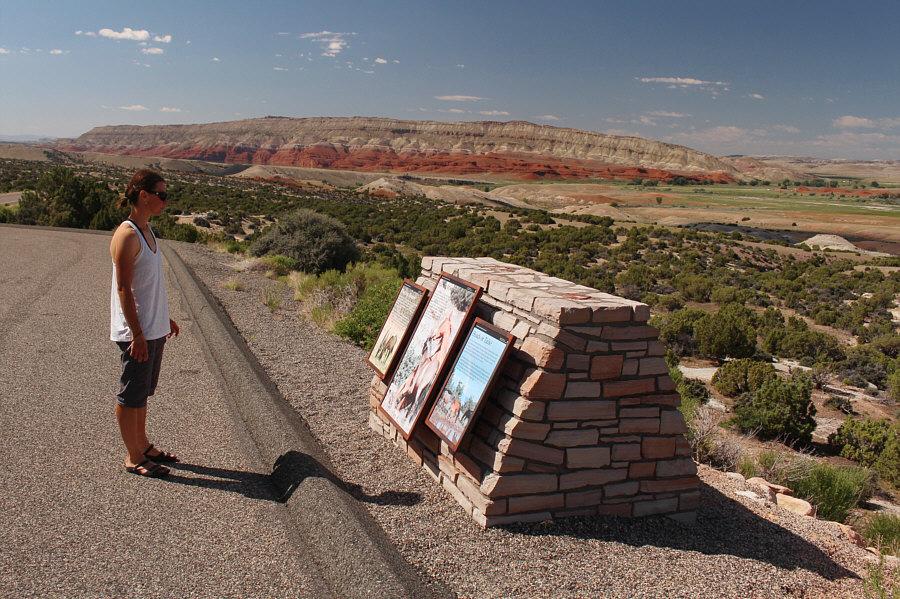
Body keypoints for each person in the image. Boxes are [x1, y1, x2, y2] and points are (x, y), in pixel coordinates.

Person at [110, 169, 180, 478]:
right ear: (143, 195)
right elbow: (124, 288)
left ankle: (143, 444)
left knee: (142, 392)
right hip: (136, 331)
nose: (166, 200)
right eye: (162, 195)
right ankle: (133, 456)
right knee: (131, 394)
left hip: (152, 328)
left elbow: (147, 284)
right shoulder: (127, 234)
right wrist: (137, 333)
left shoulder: (147, 230)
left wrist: (164, 318)